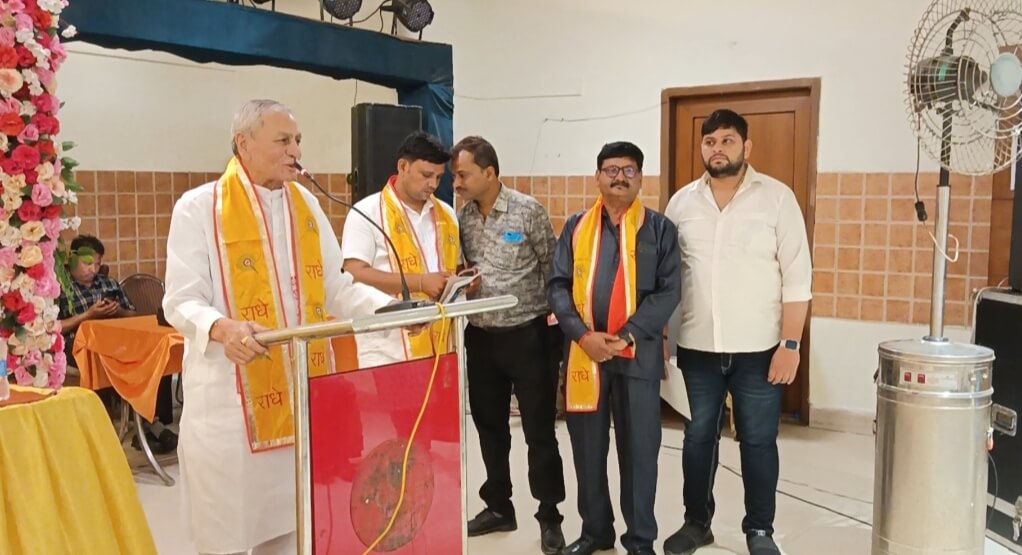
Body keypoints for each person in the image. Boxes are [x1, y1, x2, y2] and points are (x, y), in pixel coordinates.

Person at [162, 99, 397, 555]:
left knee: (292, 532)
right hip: (232, 407)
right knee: (226, 535)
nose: (296, 151)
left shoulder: (305, 204)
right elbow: (180, 299)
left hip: (301, 401)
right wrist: (222, 328)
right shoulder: (200, 207)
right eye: (283, 140)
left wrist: (391, 310)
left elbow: (335, 286)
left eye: (298, 140)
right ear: (243, 143)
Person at [662, 109, 812, 555]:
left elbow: (797, 278)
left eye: (727, 140)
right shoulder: (681, 204)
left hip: (760, 350)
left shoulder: (777, 199)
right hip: (696, 348)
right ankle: (696, 523)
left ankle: (760, 530)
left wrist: (790, 344)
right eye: (710, 141)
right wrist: (664, 340)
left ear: (746, 147)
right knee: (697, 440)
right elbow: (668, 278)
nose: (717, 149)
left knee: (759, 442)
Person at [549, 141, 681, 555]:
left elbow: (668, 292)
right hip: (585, 355)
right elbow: (557, 286)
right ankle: (595, 533)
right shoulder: (576, 227)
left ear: (640, 178)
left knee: (640, 452)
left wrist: (626, 335)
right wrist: (583, 335)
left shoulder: (659, 229)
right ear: (598, 177)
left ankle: (640, 540)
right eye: (611, 170)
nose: (619, 177)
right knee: (587, 449)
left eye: (628, 170)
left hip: (636, 356)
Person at [451, 135, 566, 554]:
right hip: (481, 338)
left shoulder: (527, 210)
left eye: (463, 175)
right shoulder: (461, 217)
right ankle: (499, 506)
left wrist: (559, 329)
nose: (456, 183)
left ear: (489, 172)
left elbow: (554, 269)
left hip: (528, 336)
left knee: (539, 431)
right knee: (490, 428)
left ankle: (550, 516)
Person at [341, 131, 460, 367]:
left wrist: (459, 283)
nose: (433, 185)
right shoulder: (367, 212)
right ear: (403, 166)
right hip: (389, 346)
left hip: (441, 342)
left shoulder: (446, 214)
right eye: (426, 175)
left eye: (439, 177)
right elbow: (354, 273)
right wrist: (420, 282)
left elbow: (451, 267)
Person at [58, 234, 177, 452]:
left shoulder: (108, 284)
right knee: (113, 362)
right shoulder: (61, 287)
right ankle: (137, 426)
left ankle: (151, 422)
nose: (93, 269)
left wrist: (118, 311)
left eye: (97, 264)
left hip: (117, 343)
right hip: (79, 347)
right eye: (87, 263)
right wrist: (88, 315)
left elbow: (133, 315)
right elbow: (56, 327)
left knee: (153, 355)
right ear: (73, 259)